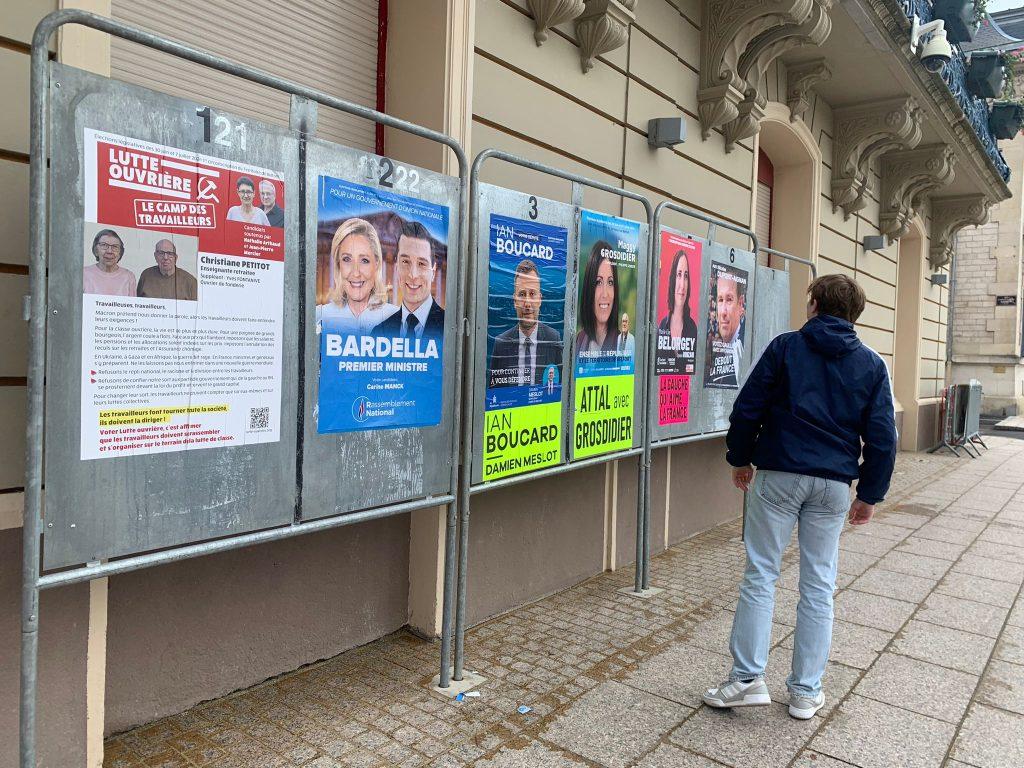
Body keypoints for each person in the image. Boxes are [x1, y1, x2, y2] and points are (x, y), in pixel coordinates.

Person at [702, 274, 897, 721]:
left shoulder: (785, 348)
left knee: (761, 575)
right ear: (856, 315)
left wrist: (741, 457)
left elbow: (748, 407)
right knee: (819, 584)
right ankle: (806, 692)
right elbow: (883, 437)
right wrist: (869, 494)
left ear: (813, 304)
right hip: (832, 484)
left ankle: (747, 679)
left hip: (779, 474)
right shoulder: (871, 364)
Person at [488, 258, 562, 388]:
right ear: (515, 301)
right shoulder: (501, 344)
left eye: (532, 294)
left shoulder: (553, 339)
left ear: (540, 299)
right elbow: (494, 393)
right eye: (522, 294)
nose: (527, 303)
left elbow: (558, 388)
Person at [316, 218, 397, 333]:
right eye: (347, 259)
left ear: (377, 264)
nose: (356, 273)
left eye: (364, 260)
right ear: (338, 265)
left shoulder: (397, 320)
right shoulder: (320, 317)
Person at [375, 220, 444, 339]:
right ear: (397, 268)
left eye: (422, 263)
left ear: (433, 272)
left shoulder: (451, 329)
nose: (413, 275)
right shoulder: (378, 332)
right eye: (405, 261)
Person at [575, 241, 620, 361]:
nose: (605, 294)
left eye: (610, 282)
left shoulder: (625, 343)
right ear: (589, 287)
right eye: (598, 282)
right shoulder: (579, 340)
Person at [658, 247, 698, 367]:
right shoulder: (662, 326)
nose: (682, 284)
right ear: (672, 279)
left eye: (685, 276)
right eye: (678, 274)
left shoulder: (692, 328)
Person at [708, 270, 745, 386]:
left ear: (741, 304)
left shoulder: (744, 349)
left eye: (729, 299)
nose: (723, 312)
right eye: (720, 300)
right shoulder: (716, 351)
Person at [83, 228, 136, 297]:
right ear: (96, 250)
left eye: (115, 247)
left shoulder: (128, 276)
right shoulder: (83, 273)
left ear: (120, 252)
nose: (109, 251)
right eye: (104, 245)